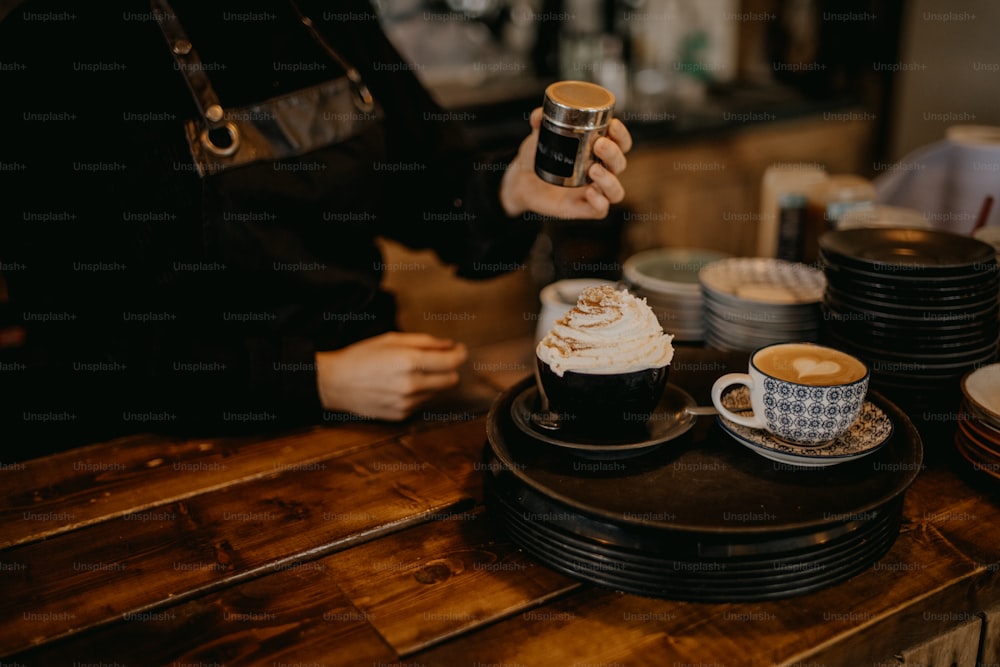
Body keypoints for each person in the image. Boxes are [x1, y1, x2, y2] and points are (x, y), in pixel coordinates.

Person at [0, 0, 632, 456]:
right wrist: (319, 379)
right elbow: (81, 351)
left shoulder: (325, 13)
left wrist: (510, 188)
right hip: (164, 443)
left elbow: (433, 193)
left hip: (378, 407)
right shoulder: (51, 48)